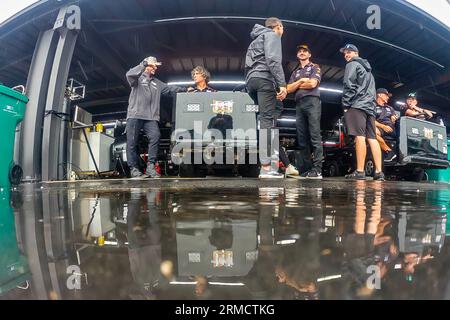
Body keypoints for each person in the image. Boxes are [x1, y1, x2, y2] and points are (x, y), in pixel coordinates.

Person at [125, 56, 185, 179]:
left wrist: (185, 89)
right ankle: (134, 169)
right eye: (154, 66)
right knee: (132, 142)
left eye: (156, 66)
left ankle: (150, 167)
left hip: (151, 117)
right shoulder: (137, 78)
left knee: (155, 136)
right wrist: (143, 63)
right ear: (147, 65)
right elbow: (129, 75)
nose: (155, 68)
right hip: (135, 115)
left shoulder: (157, 83)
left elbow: (170, 89)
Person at [245, 17, 288, 179]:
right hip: (264, 79)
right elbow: (273, 60)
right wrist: (282, 84)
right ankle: (266, 167)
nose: (282, 32)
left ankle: (266, 164)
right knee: (266, 121)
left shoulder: (255, 39)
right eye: (282, 28)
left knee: (262, 120)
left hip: (251, 81)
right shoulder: (272, 35)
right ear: (279, 26)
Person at [340, 44, 384, 181]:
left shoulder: (352, 65)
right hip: (369, 107)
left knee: (359, 136)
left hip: (357, 105)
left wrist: (346, 105)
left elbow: (349, 84)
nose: (346, 55)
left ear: (356, 53)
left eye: (349, 52)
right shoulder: (369, 71)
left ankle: (359, 171)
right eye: (345, 53)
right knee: (372, 138)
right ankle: (378, 172)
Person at [287, 44, 323, 179]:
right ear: (297, 55)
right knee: (302, 139)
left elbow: (313, 84)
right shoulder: (295, 72)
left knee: (315, 135)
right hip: (299, 105)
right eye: (300, 51)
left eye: (304, 51)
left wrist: (297, 85)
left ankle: (317, 169)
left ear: (309, 54)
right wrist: (302, 80)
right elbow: (289, 89)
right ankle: (307, 169)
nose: (302, 53)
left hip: (312, 102)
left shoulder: (315, 67)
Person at [374, 88, 398, 156]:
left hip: (391, 129)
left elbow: (394, 117)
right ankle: (389, 151)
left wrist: (394, 118)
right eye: (386, 95)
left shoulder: (390, 108)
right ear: (380, 95)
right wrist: (383, 126)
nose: (388, 97)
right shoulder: (372, 106)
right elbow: (370, 120)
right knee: (371, 131)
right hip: (379, 127)